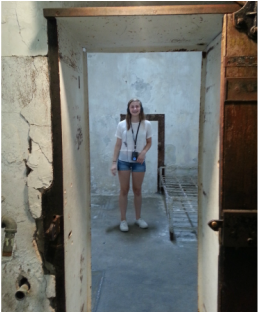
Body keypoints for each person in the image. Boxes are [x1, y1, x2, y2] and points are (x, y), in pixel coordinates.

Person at [110, 99, 152, 232]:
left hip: (138, 162)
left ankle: (138, 218)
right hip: (123, 161)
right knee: (124, 190)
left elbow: (149, 142)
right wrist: (114, 162)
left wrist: (143, 152)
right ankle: (123, 220)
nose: (135, 109)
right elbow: (117, 145)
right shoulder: (122, 124)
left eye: (137, 106)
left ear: (141, 108)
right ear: (129, 109)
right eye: (132, 107)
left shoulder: (146, 124)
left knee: (137, 190)